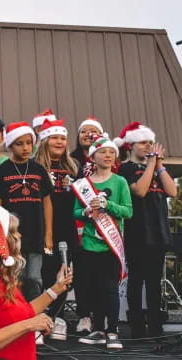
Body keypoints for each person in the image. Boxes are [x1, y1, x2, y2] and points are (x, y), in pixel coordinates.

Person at [0, 203, 73, 360]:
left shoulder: (0, 276)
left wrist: (57, 289)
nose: (19, 236)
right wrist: (29, 325)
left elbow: (23, 313)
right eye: (13, 232)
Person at [0, 121, 53, 344]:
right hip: (12, 238)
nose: (26, 147)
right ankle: (14, 324)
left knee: (34, 278)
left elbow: (47, 203)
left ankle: (35, 323)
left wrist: (49, 235)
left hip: (36, 235)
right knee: (13, 280)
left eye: (29, 143)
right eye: (20, 143)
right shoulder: (2, 171)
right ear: (10, 145)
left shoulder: (38, 170)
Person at [115, 122, 177, 338]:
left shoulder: (156, 167)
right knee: (137, 279)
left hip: (158, 232)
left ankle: (155, 326)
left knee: (153, 281)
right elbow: (139, 191)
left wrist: (159, 165)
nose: (148, 146)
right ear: (130, 145)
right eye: (143, 142)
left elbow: (172, 191)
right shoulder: (126, 168)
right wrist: (151, 164)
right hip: (137, 232)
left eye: (150, 142)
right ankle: (137, 327)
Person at [73, 136, 132, 349]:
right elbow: (75, 212)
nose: (108, 155)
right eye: (103, 152)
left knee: (109, 288)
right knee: (94, 288)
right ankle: (98, 329)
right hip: (89, 244)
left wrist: (109, 206)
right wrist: (87, 211)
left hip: (111, 244)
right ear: (92, 157)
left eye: (111, 152)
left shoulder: (120, 182)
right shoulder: (83, 185)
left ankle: (113, 331)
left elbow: (128, 211)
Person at [35, 119, 78, 341]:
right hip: (40, 227)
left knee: (63, 270)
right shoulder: (35, 166)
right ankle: (39, 317)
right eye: (54, 137)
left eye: (62, 138)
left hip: (67, 228)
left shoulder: (74, 167)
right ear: (45, 140)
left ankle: (58, 317)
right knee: (41, 273)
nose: (59, 141)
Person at [69, 116, 104, 333]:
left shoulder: (106, 159)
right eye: (84, 132)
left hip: (100, 224)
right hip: (75, 220)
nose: (88, 135)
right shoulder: (70, 160)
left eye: (93, 132)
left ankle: (99, 316)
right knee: (80, 271)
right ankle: (83, 315)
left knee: (98, 273)